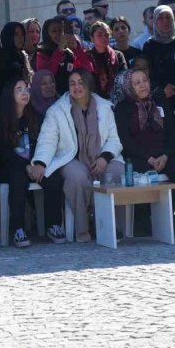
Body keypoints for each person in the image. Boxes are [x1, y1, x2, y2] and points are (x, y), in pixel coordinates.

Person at [31, 69, 125, 243]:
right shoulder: (57, 110)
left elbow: (114, 139)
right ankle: (84, 228)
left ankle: (111, 225)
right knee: (78, 176)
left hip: (102, 156)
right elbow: (48, 140)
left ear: (89, 84)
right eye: (72, 83)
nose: (77, 87)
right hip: (70, 158)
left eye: (81, 82)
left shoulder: (105, 107)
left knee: (117, 171)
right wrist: (40, 162)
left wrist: (104, 158)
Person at [0, 79, 62, 248]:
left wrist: (38, 164)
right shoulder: (0, 121)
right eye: (19, 90)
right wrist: (26, 167)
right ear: (10, 95)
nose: (25, 93)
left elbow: (43, 143)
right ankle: (18, 229)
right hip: (12, 167)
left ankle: (53, 225)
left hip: (35, 164)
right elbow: (4, 152)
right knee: (18, 181)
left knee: (54, 179)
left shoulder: (35, 117)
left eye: (26, 89)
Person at [114, 68, 175, 195]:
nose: (143, 85)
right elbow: (125, 140)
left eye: (145, 80)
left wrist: (165, 156)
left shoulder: (160, 102)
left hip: (163, 156)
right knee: (140, 175)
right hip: (139, 157)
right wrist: (149, 158)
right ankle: (145, 214)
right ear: (129, 87)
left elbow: (172, 133)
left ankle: (167, 212)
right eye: (137, 83)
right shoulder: (123, 108)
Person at [142, 5, 175, 100]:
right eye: (160, 18)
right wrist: (162, 89)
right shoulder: (149, 45)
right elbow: (149, 73)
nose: (165, 21)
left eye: (168, 17)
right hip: (160, 96)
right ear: (155, 21)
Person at [33, 16, 92, 94]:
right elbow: (47, 76)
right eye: (54, 31)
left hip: (71, 96)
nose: (58, 33)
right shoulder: (41, 53)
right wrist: (59, 50)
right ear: (47, 34)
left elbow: (88, 70)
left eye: (60, 30)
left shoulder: (69, 52)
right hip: (52, 98)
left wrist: (77, 49)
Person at [86, 22, 126, 99]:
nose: (104, 38)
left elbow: (123, 78)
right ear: (92, 38)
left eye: (107, 35)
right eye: (100, 35)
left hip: (116, 97)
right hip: (93, 98)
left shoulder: (118, 55)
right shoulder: (87, 57)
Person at [0, 21, 33, 86]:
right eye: (16, 34)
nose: (20, 38)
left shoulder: (22, 55)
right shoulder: (3, 57)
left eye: (22, 34)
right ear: (8, 36)